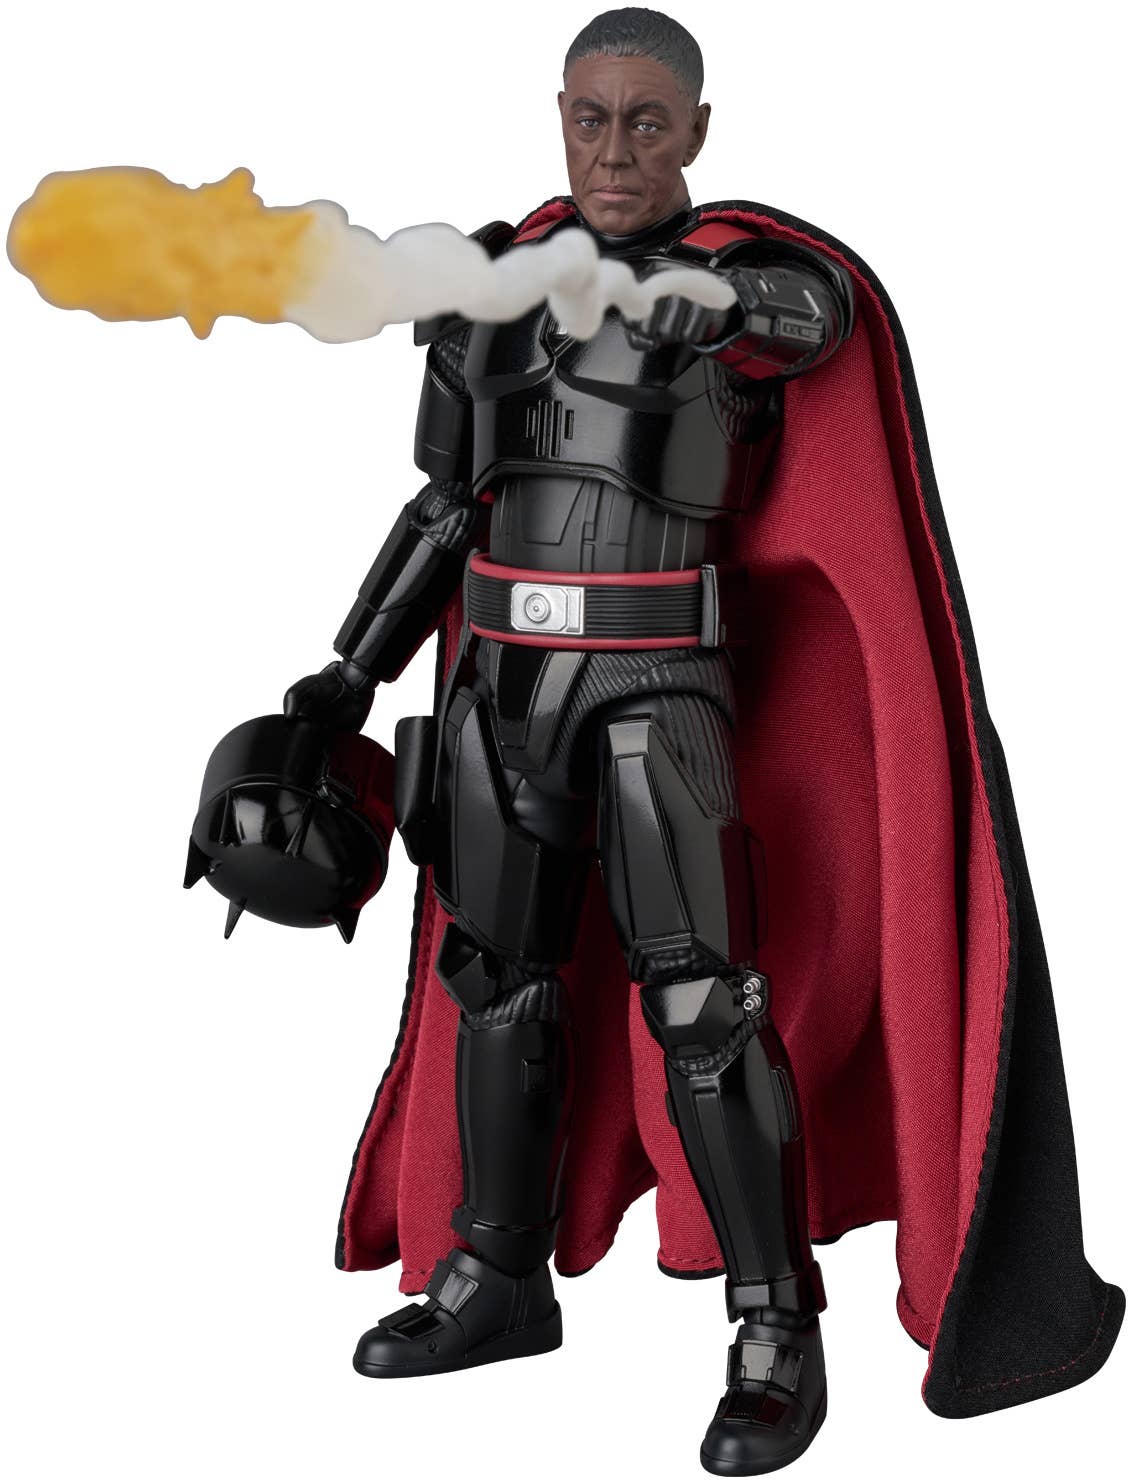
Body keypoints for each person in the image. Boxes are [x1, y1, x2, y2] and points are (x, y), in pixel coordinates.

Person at [272, 7, 1120, 1476]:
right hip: (502, 689)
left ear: (697, 132)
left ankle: (774, 1327)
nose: (615, 150)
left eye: (647, 122)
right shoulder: (492, 285)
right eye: (590, 118)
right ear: (557, 116)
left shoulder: (742, 275)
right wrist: (346, 675)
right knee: (496, 982)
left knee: (704, 1008)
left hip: (657, 687)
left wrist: (719, 309)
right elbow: (442, 508)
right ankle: (495, 1274)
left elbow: (811, 317)